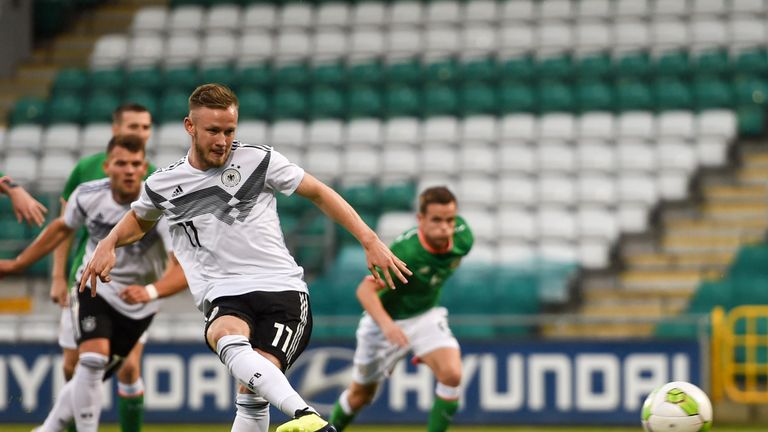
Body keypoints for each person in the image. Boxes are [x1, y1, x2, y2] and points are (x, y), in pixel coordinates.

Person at [79, 83, 411, 432]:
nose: (222, 140)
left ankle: (305, 417)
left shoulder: (259, 160)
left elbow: (318, 192)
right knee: (233, 354)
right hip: (224, 292)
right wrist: (109, 242)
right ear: (190, 127)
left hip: (281, 290)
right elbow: (138, 220)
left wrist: (369, 239)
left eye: (229, 130)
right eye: (213, 131)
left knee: (253, 386)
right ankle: (308, 417)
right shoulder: (164, 183)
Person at [0, 134, 187, 432]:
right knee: (91, 359)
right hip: (93, 286)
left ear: (144, 169)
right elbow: (62, 228)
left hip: (138, 303)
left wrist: (150, 291)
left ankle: (48, 428)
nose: (128, 170)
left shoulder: (160, 206)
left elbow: (182, 268)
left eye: (136, 164)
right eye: (121, 163)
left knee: (97, 369)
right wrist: (19, 263)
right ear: (107, 166)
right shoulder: (87, 195)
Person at [329, 186, 473, 432]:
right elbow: (364, 291)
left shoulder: (463, 238)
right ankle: (332, 427)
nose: (445, 227)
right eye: (436, 220)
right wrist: (388, 326)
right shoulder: (405, 253)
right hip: (384, 323)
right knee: (360, 396)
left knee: (452, 375)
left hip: (424, 316)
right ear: (420, 220)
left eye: (450, 220)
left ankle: (424, 352)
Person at [49, 103, 156, 432]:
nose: (140, 133)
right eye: (132, 127)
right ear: (115, 129)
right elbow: (64, 228)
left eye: (145, 127)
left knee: (128, 367)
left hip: (132, 288)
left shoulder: (153, 176)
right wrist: (57, 275)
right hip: (85, 281)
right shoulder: (86, 169)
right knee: (72, 366)